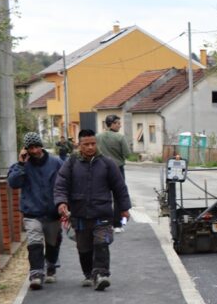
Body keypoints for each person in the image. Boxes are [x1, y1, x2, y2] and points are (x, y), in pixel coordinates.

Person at [54, 129, 132, 291]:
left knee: (101, 243)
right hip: (79, 214)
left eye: (93, 144)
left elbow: (119, 188)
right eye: (86, 144)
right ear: (79, 145)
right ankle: (89, 274)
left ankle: (102, 274)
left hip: (102, 212)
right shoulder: (71, 163)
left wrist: (124, 208)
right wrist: (61, 202)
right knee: (84, 249)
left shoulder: (107, 163)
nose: (90, 147)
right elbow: (61, 184)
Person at [7, 132, 64, 290]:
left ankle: (51, 265)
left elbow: (66, 182)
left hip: (53, 212)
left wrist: (65, 204)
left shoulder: (56, 163)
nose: (34, 151)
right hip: (32, 212)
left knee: (53, 243)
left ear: (41, 146)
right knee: (35, 243)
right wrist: (20, 164)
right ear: (26, 149)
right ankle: (36, 274)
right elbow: (13, 183)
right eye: (30, 148)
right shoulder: (22, 165)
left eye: (37, 147)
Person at [97, 114, 131, 178]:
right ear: (112, 124)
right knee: (119, 184)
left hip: (102, 167)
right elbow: (127, 155)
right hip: (117, 168)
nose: (120, 126)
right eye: (118, 123)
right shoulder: (120, 137)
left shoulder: (97, 136)